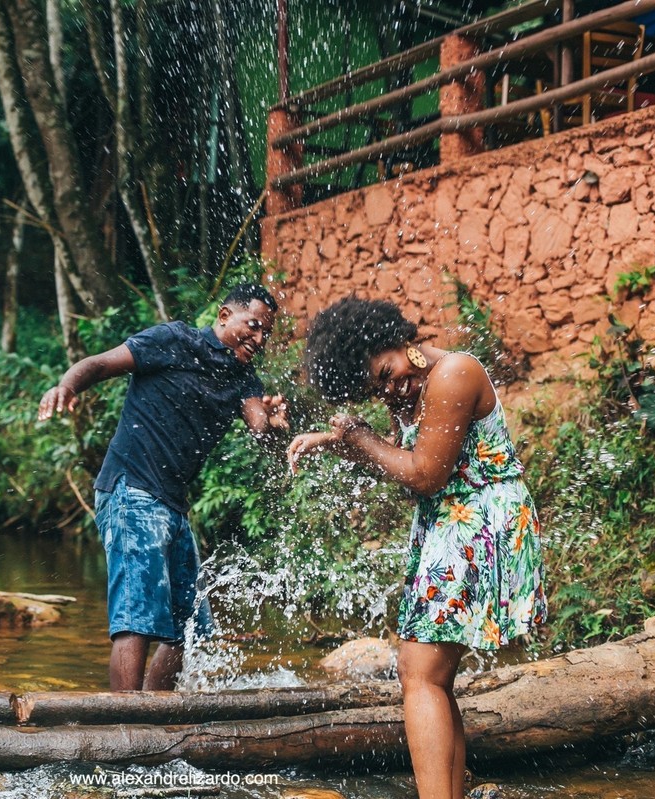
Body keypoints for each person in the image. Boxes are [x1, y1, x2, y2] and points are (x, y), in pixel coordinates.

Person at [285, 296, 546, 799]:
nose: (390, 388)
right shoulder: (412, 391)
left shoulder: (453, 374)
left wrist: (359, 439)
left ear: (397, 338)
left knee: (419, 672)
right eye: (375, 387)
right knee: (431, 677)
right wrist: (333, 440)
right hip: (451, 524)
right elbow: (401, 469)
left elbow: (424, 475)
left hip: (479, 522)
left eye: (387, 372)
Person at [38, 284, 288, 691]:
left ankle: (156, 720)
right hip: (129, 487)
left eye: (266, 334)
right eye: (254, 326)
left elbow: (259, 424)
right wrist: (67, 386)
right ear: (225, 316)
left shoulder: (243, 378)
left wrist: (275, 426)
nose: (259, 340)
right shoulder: (174, 341)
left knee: (188, 624)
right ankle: (125, 727)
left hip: (172, 505)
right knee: (136, 614)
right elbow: (100, 364)